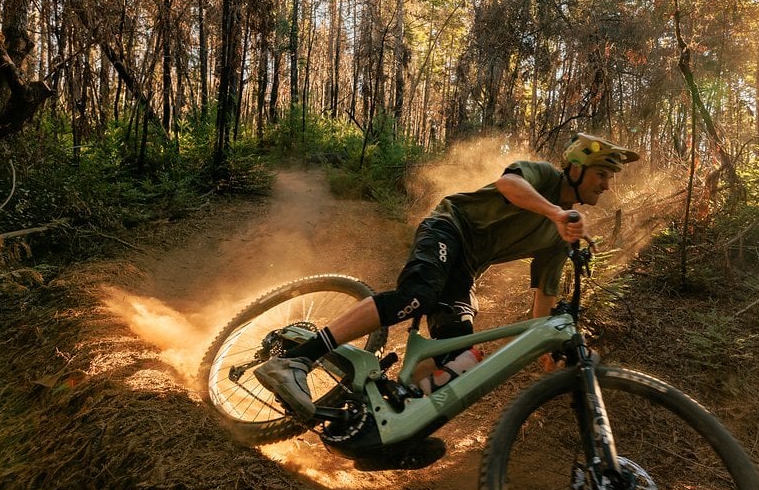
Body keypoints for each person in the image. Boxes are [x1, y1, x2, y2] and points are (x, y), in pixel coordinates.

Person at [255, 132, 640, 421]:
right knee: (419, 295)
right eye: (602, 174)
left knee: (460, 358)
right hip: (448, 228)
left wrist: (547, 348)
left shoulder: (558, 238)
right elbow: (508, 184)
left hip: (466, 268)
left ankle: (391, 415)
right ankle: (297, 361)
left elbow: (543, 301)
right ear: (574, 168)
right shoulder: (544, 178)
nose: (606, 184)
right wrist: (555, 212)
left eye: (610, 177)